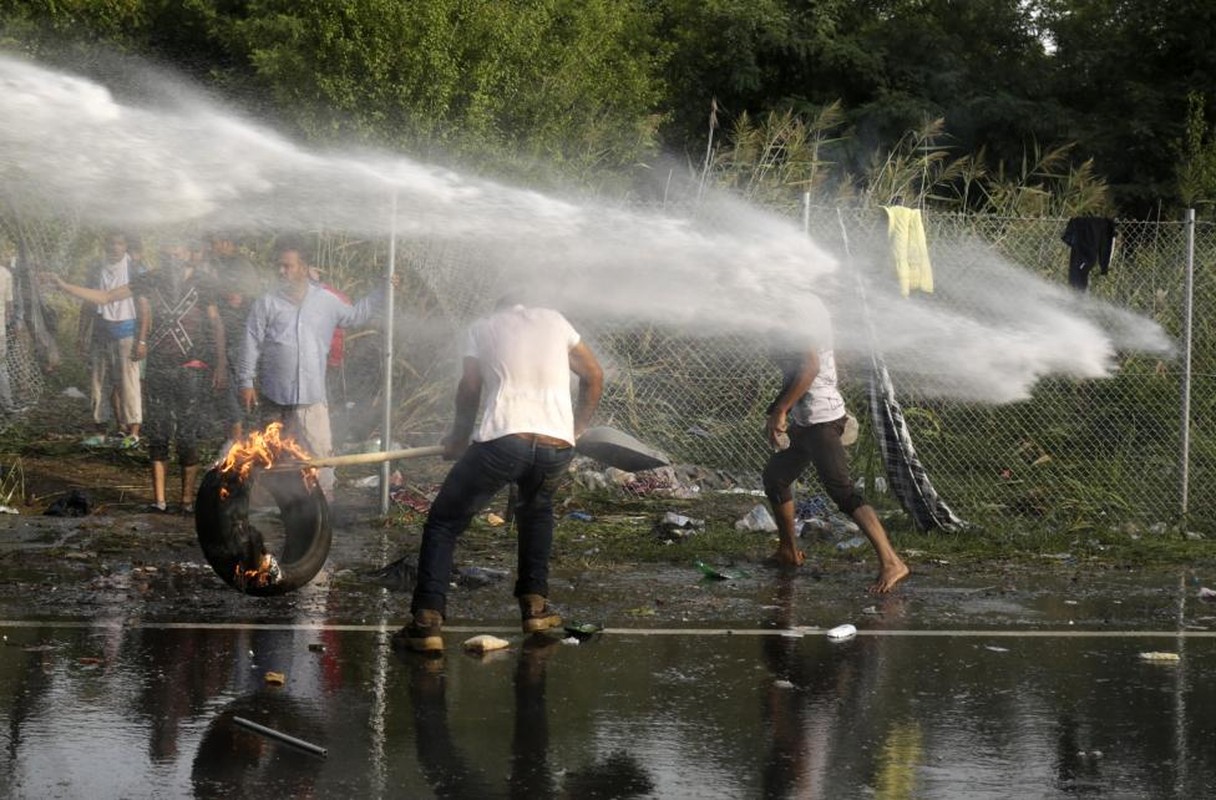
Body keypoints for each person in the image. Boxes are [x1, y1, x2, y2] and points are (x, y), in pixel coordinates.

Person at [395, 297, 604, 653]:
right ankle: (535, 609)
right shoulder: (554, 320)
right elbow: (594, 375)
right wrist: (576, 428)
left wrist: (459, 437)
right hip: (556, 447)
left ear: (498, 306)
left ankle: (427, 621)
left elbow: (470, 386)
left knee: (444, 523)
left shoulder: (483, 327)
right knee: (536, 513)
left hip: (506, 442)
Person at [47, 241, 227, 512]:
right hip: (158, 367)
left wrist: (221, 363)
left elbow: (216, 324)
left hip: (192, 367)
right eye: (167, 253)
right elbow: (107, 297)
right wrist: (63, 286)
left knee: (188, 435)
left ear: (189, 253)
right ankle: (159, 501)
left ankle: (187, 501)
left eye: (176, 252)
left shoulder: (203, 282)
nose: (172, 259)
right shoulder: (151, 279)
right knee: (158, 432)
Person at [762, 297, 909, 593]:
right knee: (776, 477)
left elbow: (810, 366)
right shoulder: (805, 304)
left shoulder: (799, 307)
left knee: (842, 491)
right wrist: (780, 408)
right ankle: (789, 552)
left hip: (821, 419)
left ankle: (892, 561)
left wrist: (780, 410)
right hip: (808, 419)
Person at [237, 236, 391, 502]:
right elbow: (250, 341)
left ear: (304, 267)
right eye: (279, 266)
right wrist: (246, 381)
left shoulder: (326, 301)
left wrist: (382, 290)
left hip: (312, 397)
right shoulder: (267, 303)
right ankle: (277, 504)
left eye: (288, 266)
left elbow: (355, 316)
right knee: (274, 453)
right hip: (275, 395)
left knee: (320, 453)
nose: (281, 271)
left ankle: (324, 505)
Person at [77, 231, 144, 447]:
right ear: (105, 245)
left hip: (126, 332)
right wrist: (81, 333)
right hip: (100, 332)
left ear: (125, 246)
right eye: (111, 243)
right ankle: (100, 430)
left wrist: (142, 340)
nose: (115, 248)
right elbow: (87, 301)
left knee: (128, 383)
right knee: (98, 383)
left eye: (120, 243)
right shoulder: (97, 269)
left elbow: (145, 308)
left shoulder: (135, 269)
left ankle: (133, 433)